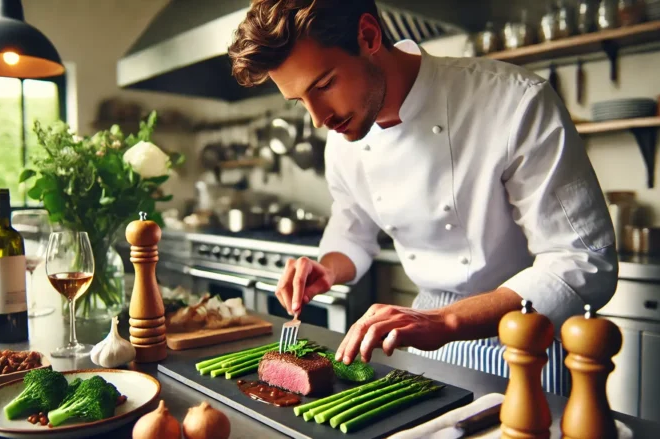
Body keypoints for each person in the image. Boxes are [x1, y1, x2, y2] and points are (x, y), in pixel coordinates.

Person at [228, 0, 617, 395]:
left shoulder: (515, 102)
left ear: (368, 36)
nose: (318, 118)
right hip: (427, 343)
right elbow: (353, 230)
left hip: (526, 336)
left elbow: (582, 262)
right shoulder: (343, 137)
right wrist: (327, 268)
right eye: (299, 101)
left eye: (324, 84)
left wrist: (447, 321)